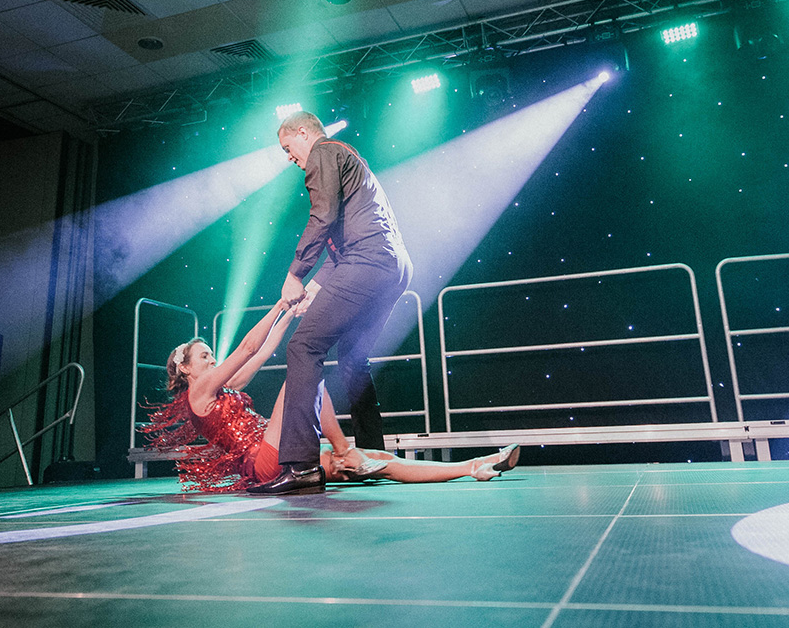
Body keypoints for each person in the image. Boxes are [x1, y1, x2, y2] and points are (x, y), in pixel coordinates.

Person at [140, 301, 520, 493]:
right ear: (186, 369)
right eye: (204, 355)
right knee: (304, 372)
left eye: (210, 352)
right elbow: (246, 346)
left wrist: (290, 311)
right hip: (264, 462)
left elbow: (264, 349)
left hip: (279, 452)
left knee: (379, 460)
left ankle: (477, 466)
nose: (212, 358)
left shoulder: (223, 388)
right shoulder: (200, 391)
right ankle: (343, 447)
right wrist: (277, 304)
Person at [250, 111, 413, 495]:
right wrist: (318, 286)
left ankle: (302, 466)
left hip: (368, 262)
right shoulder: (348, 156)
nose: (289, 158)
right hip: (393, 266)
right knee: (354, 358)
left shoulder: (323, 152)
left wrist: (296, 274)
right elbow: (344, 239)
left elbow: (321, 216)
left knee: (303, 347)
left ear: (303, 133)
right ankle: (373, 456)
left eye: (288, 148)